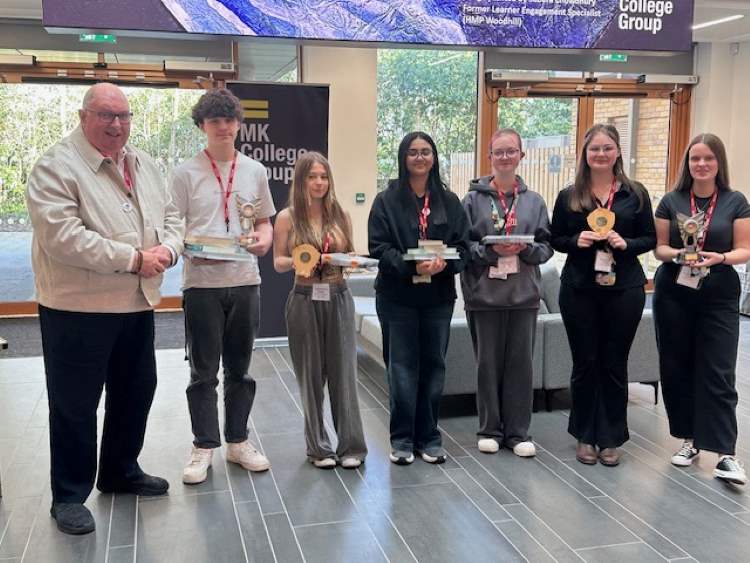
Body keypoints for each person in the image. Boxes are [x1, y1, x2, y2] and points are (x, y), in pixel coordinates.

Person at [25, 83, 184, 535]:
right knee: (75, 404)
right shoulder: (55, 167)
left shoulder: (145, 162)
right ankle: (69, 495)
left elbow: (173, 217)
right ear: (83, 117)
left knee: (136, 391)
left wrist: (168, 251)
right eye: (106, 115)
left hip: (136, 303)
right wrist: (134, 258)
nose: (117, 125)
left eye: (124, 116)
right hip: (78, 309)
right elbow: (63, 237)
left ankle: (118, 470)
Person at [171, 89, 275, 485]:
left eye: (229, 120)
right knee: (202, 372)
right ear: (202, 126)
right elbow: (172, 226)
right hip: (201, 284)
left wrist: (264, 240)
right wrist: (185, 246)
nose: (223, 127)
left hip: (246, 280)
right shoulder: (184, 173)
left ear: (238, 124)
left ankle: (238, 441)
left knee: (240, 369)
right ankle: (203, 445)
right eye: (214, 121)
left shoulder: (255, 171)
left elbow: (264, 221)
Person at [550, 123, 655, 467]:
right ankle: (584, 434)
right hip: (579, 287)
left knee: (613, 363)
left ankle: (610, 436)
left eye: (607, 148)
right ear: (585, 154)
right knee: (585, 363)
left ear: (618, 152)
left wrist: (627, 244)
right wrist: (574, 241)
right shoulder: (569, 195)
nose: (600, 154)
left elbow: (650, 238)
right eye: (594, 148)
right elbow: (555, 238)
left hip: (624, 288)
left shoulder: (635, 194)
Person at [653, 133, 750, 485]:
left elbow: (744, 249)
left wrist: (720, 257)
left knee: (719, 369)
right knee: (677, 366)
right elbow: (659, 249)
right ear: (687, 163)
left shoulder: (735, 201)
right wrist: (680, 254)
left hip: (719, 290)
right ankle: (689, 440)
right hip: (675, 291)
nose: (702, 164)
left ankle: (726, 452)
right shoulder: (672, 200)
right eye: (695, 158)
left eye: (708, 158)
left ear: (718, 162)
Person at [368, 131, 469, 465]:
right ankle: (401, 439)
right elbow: (378, 247)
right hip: (397, 296)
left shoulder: (450, 201)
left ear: (434, 157)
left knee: (434, 367)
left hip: (438, 296)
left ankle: (429, 437)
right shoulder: (386, 200)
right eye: (413, 152)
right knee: (401, 367)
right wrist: (410, 264)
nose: (420, 158)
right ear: (403, 157)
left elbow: (464, 248)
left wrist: (444, 263)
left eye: (426, 152)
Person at [461, 128, 553, 458]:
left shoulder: (534, 201)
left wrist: (523, 250)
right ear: (489, 156)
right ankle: (489, 429)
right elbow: (464, 247)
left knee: (520, 365)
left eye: (510, 151)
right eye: (498, 152)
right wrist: (492, 252)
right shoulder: (472, 200)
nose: (504, 157)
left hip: (523, 296)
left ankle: (518, 432)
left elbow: (545, 247)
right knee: (486, 364)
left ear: (520, 156)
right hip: (484, 297)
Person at [272, 152, 368, 469]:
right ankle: (319, 448)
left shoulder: (340, 214)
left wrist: (347, 260)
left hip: (339, 296)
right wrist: (303, 260)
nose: (319, 182)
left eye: (324, 176)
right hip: (304, 299)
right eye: (312, 176)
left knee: (344, 374)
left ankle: (351, 446)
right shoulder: (287, 217)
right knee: (310, 377)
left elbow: (351, 253)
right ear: (301, 181)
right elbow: (278, 262)